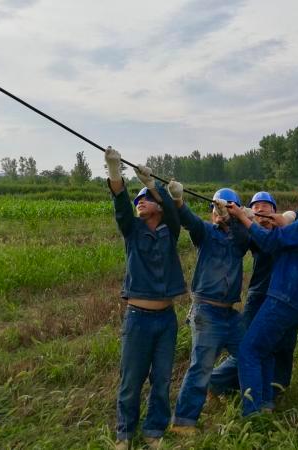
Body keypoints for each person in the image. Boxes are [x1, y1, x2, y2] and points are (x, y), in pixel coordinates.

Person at [227, 177, 298, 416]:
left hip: (285, 297)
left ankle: (253, 412)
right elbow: (290, 229)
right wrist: (277, 219)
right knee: (267, 349)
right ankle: (266, 403)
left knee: (249, 350)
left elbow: (270, 242)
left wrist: (243, 217)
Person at [104, 148, 186, 450]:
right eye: (138, 200)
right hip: (137, 319)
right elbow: (121, 204)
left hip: (166, 319)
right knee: (131, 380)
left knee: (161, 379)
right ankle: (124, 435)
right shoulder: (132, 231)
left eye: (146, 199)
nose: (140, 202)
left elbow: (175, 213)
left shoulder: (169, 231)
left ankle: (154, 430)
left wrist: (153, 185)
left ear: (160, 208)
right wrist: (115, 172)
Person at [168, 183, 250, 433]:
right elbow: (189, 221)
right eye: (215, 209)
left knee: (249, 353)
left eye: (225, 209)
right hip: (206, 312)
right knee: (201, 366)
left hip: (229, 314)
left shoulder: (239, 240)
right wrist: (178, 200)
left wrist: (235, 218)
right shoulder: (205, 233)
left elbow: (245, 234)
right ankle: (183, 422)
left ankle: (217, 385)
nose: (219, 213)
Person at [209, 191, 296, 399]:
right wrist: (230, 217)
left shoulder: (287, 232)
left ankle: (276, 386)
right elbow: (239, 234)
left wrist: (288, 217)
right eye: (256, 207)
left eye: (265, 206)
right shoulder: (253, 235)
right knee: (249, 344)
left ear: (274, 211)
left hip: (285, 297)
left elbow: (296, 218)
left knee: (284, 343)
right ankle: (216, 381)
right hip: (259, 295)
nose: (260, 209)